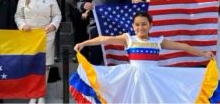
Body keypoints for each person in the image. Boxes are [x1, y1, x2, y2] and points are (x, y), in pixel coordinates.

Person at [72, 11, 215, 103]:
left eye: (144, 24)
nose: (141, 27)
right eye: (137, 25)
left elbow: (184, 46)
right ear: (133, 26)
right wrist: (84, 43)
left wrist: (203, 54)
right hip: (131, 78)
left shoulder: (158, 41)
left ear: (151, 25)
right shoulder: (128, 39)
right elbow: (103, 39)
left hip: (155, 78)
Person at [15, 0, 62, 104]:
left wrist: (53, 25)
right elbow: (18, 16)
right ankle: (33, 94)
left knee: (45, 65)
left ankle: (41, 94)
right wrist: (22, 25)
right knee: (32, 65)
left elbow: (57, 15)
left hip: (46, 34)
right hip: (29, 36)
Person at [77, 0, 128, 64]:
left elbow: (127, 3)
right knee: (95, 54)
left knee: (115, 55)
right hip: (96, 25)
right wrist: (83, 5)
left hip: (115, 25)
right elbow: (80, 3)